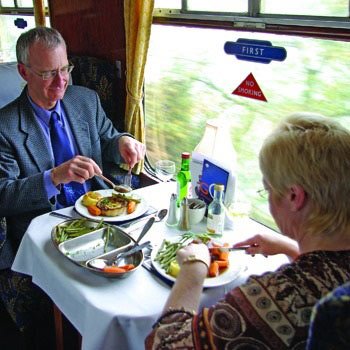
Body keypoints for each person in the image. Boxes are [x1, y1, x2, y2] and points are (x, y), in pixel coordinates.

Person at [145, 112, 350, 349]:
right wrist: (291, 248)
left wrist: (193, 268)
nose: (270, 200)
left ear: (294, 197)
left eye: (268, 190)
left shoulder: (280, 299)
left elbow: (164, 345)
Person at [0, 26, 145, 347]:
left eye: (65, 69)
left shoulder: (85, 100)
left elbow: (109, 137)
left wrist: (124, 142)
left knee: (139, 275)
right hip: (45, 228)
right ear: (24, 72)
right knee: (100, 296)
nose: (61, 81)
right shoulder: (5, 126)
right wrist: (53, 177)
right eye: (49, 73)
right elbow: (3, 195)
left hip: (100, 213)